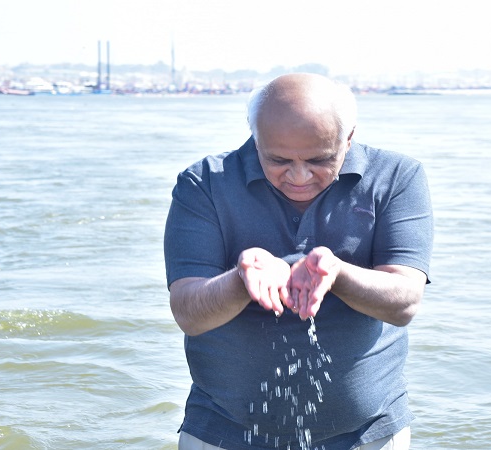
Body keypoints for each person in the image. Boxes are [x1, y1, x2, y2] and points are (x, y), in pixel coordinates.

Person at [164, 73, 433, 450]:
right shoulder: (205, 182)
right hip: (222, 432)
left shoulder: (397, 177)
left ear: (349, 137)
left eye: (319, 160)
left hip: (368, 434)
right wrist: (242, 279)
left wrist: (338, 273)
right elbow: (189, 314)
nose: (299, 176)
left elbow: (405, 301)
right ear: (254, 136)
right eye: (278, 160)